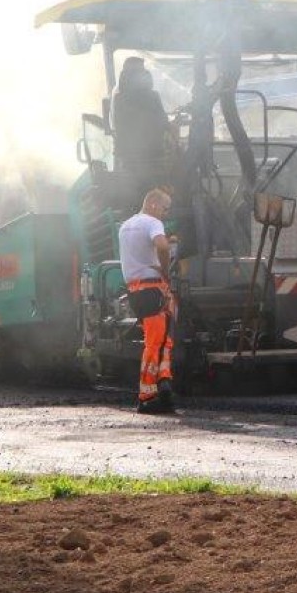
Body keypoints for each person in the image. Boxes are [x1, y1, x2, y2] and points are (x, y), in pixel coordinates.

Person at [118, 188, 177, 415]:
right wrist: (165, 270)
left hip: (135, 291)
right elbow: (162, 247)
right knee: (155, 342)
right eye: (164, 208)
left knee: (161, 340)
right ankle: (147, 396)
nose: (165, 213)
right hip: (153, 289)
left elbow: (140, 252)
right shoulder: (153, 223)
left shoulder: (125, 226)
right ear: (152, 203)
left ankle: (164, 383)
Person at [111, 56, 175, 203]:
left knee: (134, 200)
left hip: (128, 161)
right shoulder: (152, 97)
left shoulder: (118, 98)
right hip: (154, 158)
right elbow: (162, 122)